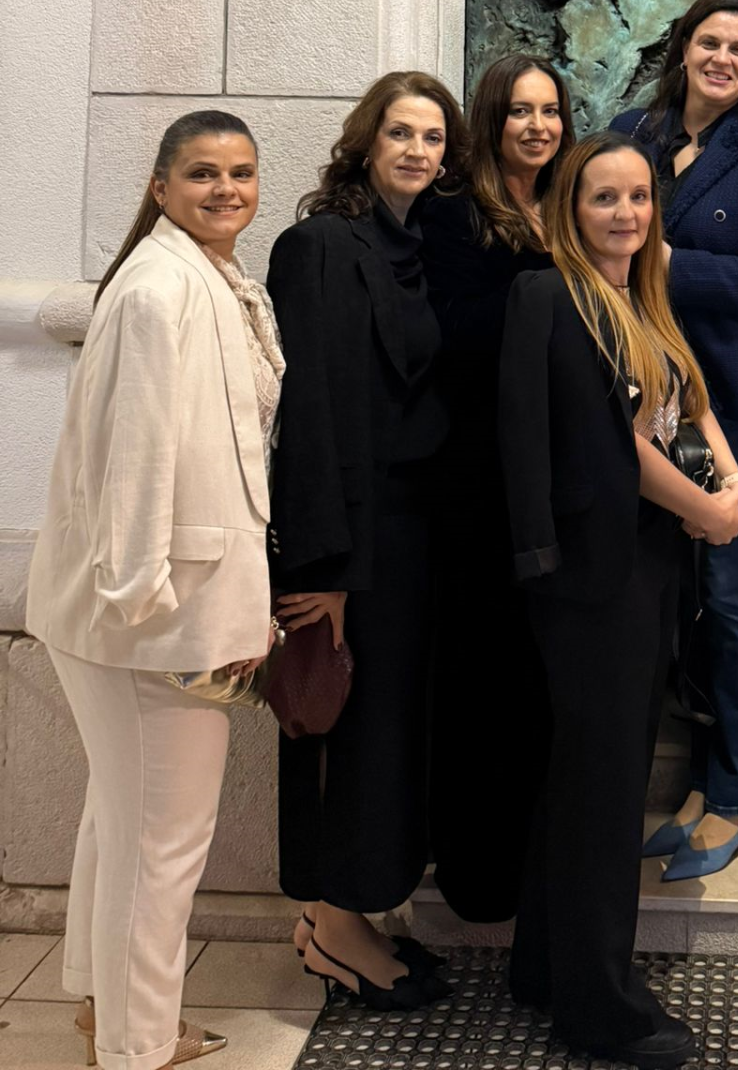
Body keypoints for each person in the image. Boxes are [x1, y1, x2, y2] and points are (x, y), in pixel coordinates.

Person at [28, 110, 280, 1070]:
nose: (226, 190)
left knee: (123, 818)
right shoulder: (157, 288)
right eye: (204, 174)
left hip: (152, 609)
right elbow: (132, 459)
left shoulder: (204, 277)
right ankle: (138, 1046)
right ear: (161, 187)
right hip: (154, 616)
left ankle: (104, 1007)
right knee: (162, 843)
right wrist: (144, 602)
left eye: (241, 173)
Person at [498, 134, 738, 1069]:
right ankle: (599, 1008)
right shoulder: (551, 296)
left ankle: (544, 966)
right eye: (604, 197)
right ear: (570, 206)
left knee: (589, 780)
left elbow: (690, 403)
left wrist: (731, 478)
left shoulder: (642, 297)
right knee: (602, 795)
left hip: (647, 567)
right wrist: (708, 513)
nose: (625, 214)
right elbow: (613, 445)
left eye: (639, 197)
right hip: (589, 580)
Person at [267, 71, 467, 1008]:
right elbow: (308, 415)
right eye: (400, 133)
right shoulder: (318, 246)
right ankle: (330, 925)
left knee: (389, 734)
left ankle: (352, 912)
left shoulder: (421, 245)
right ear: (365, 140)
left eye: (432, 137)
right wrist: (328, 568)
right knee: (346, 735)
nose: (417, 150)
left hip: (412, 539)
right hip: (350, 545)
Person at [611, 0, 738, 879]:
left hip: (730, 406)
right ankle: (699, 783)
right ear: (684, 47)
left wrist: (667, 264)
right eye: (710, 42)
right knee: (682, 597)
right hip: (645, 401)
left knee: (731, 592)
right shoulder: (635, 131)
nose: (723, 59)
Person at [421, 55, 574, 921]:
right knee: (480, 676)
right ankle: (477, 876)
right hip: (477, 475)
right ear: (492, 119)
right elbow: (452, 332)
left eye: (550, 111)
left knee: (537, 679)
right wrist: (553, 280)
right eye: (520, 111)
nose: (537, 127)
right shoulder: (454, 209)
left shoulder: (568, 201)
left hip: (555, 467)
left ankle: (531, 860)